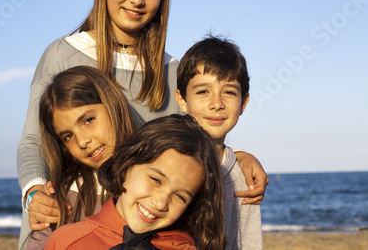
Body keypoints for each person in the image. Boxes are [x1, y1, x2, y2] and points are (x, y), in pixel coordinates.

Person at [17, 0, 267, 249]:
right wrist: (35, 193)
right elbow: (32, 141)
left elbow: (190, 141)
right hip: (71, 215)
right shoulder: (63, 53)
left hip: (146, 228)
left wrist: (237, 158)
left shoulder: (171, 70)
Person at [45, 114, 226, 250]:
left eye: (180, 196)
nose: (161, 202)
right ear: (126, 165)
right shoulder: (66, 242)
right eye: (156, 179)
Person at [25, 65, 136, 249]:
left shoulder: (156, 178)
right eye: (68, 136)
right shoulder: (65, 197)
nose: (83, 141)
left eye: (88, 120)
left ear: (112, 104)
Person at [175, 35, 263, 249]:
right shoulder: (168, 162)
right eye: (203, 91)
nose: (217, 103)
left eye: (229, 92)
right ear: (182, 100)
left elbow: (247, 242)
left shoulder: (244, 176)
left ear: (244, 103)